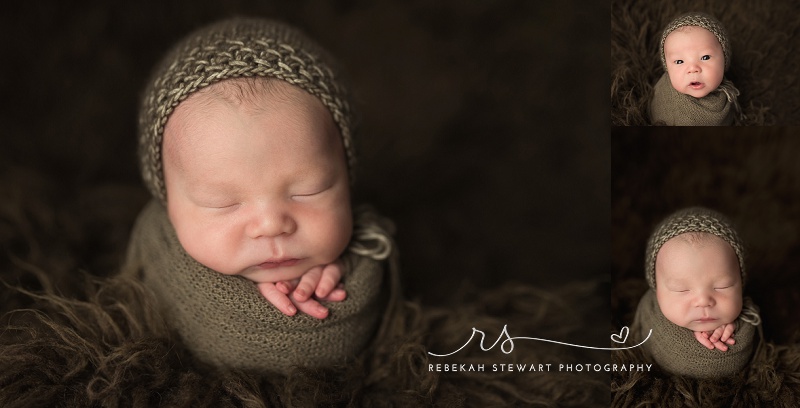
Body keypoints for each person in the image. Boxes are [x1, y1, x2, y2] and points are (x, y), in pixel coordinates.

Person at [122, 17, 400, 373]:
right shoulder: (156, 253)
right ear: (168, 204)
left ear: (347, 177)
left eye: (307, 190)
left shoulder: (369, 247)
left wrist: (344, 265)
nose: (271, 225)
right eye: (222, 203)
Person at [632, 207, 761, 378]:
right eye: (681, 289)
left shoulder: (748, 318)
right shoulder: (650, 317)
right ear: (657, 290)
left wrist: (735, 325)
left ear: (740, 282)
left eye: (722, 286)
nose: (703, 301)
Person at [650, 13, 742, 126]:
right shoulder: (671, 109)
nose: (693, 69)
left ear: (724, 60)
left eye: (705, 57)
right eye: (679, 61)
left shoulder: (727, 94)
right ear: (668, 69)